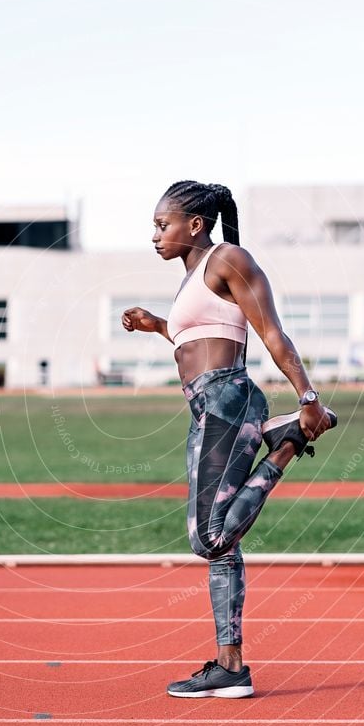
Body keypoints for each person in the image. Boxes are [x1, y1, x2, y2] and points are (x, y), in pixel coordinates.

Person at [122, 180, 337, 699]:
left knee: (209, 537)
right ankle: (230, 666)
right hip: (210, 406)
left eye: (161, 224)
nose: (154, 235)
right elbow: (202, 337)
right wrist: (157, 326)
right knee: (222, 547)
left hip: (229, 400)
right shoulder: (193, 278)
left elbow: (272, 333)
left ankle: (285, 443)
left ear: (194, 224)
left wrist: (307, 399)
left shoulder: (228, 259)